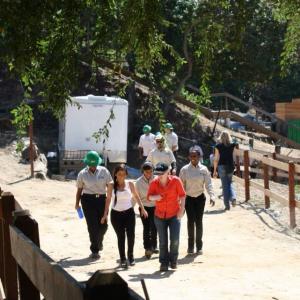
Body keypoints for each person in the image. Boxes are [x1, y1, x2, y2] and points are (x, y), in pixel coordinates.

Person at [101, 164, 148, 268]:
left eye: (123, 174)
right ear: (115, 175)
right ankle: (122, 258)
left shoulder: (130, 184)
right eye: (119, 174)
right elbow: (108, 199)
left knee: (131, 235)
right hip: (116, 215)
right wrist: (105, 214)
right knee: (121, 237)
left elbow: (136, 196)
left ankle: (130, 256)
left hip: (129, 213)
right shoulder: (111, 185)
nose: (121, 176)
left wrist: (143, 208)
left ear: (126, 174)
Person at [147, 162, 186, 272]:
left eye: (161, 173)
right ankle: (163, 262)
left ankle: (173, 260)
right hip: (159, 216)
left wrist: (181, 210)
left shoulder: (176, 180)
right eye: (157, 173)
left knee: (175, 240)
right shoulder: (154, 183)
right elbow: (149, 197)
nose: (159, 176)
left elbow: (182, 195)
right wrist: (156, 197)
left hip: (174, 215)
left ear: (168, 172)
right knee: (163, 242)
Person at [75, 151, 112, 260]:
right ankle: (94, 250)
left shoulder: (104, 171)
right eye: (91, 164)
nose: (93, 166)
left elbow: (110, 184)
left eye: (94, 164)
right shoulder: (82, 174)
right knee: (92, 226)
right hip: (88, 201)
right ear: (87, 163)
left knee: (103, 225)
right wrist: (77, 203)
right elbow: (79, 190)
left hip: (101, 200)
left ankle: (99, 241)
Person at [179, 145, 215, 255]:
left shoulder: (204, 169)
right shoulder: (184, 170)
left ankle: (199, 246)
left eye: (195, 156)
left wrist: (212, 196)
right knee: (190, 221)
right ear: (189, 157)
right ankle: (190, 246)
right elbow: (180, 186)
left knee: (199, 222)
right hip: (188, 199)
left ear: (199, 157)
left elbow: (209, 184)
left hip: (200, 198)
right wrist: (180, 201)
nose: (193, 158)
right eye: (191, 156)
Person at [135, 161, 158, 259]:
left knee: (155, 227)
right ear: (143, 171)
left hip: (156, 206)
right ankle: (147, 248)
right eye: (146, 171)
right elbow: (136, 197)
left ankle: (154, 245)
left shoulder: (157, 179)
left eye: (150, 171)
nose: (149, 173)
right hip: (144, 207)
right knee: (146, 227)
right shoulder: (138, 182)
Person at [213, 131, 238, 210]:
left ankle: (227, 206)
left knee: (225, 185)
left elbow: (216, 159)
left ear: (220, 137)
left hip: (221, 166)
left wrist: (214, 171)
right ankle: (233, 197)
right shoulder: (232, 145)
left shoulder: (218, 146)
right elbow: (234, 156)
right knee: (230, 183)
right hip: (230, 166)